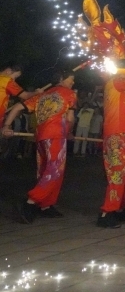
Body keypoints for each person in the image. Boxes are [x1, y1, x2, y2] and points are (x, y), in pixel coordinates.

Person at [2, 70, 77, 223]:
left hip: (41, 136)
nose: (73, 82)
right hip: (56, 135)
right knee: (55, 170)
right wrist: (69, 132)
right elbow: (70, 117)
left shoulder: (43, 94)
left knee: (45, 169)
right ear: (62, 78)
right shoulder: (69, 93)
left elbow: (17, 107)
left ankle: (46, 205)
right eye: (71, 79)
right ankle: (31, 201)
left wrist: (7, 125)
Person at [97, 73, 125, 228]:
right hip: (117, 131)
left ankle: (119, 208)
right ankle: (106, 212)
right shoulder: (116, 81)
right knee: (117, 172)